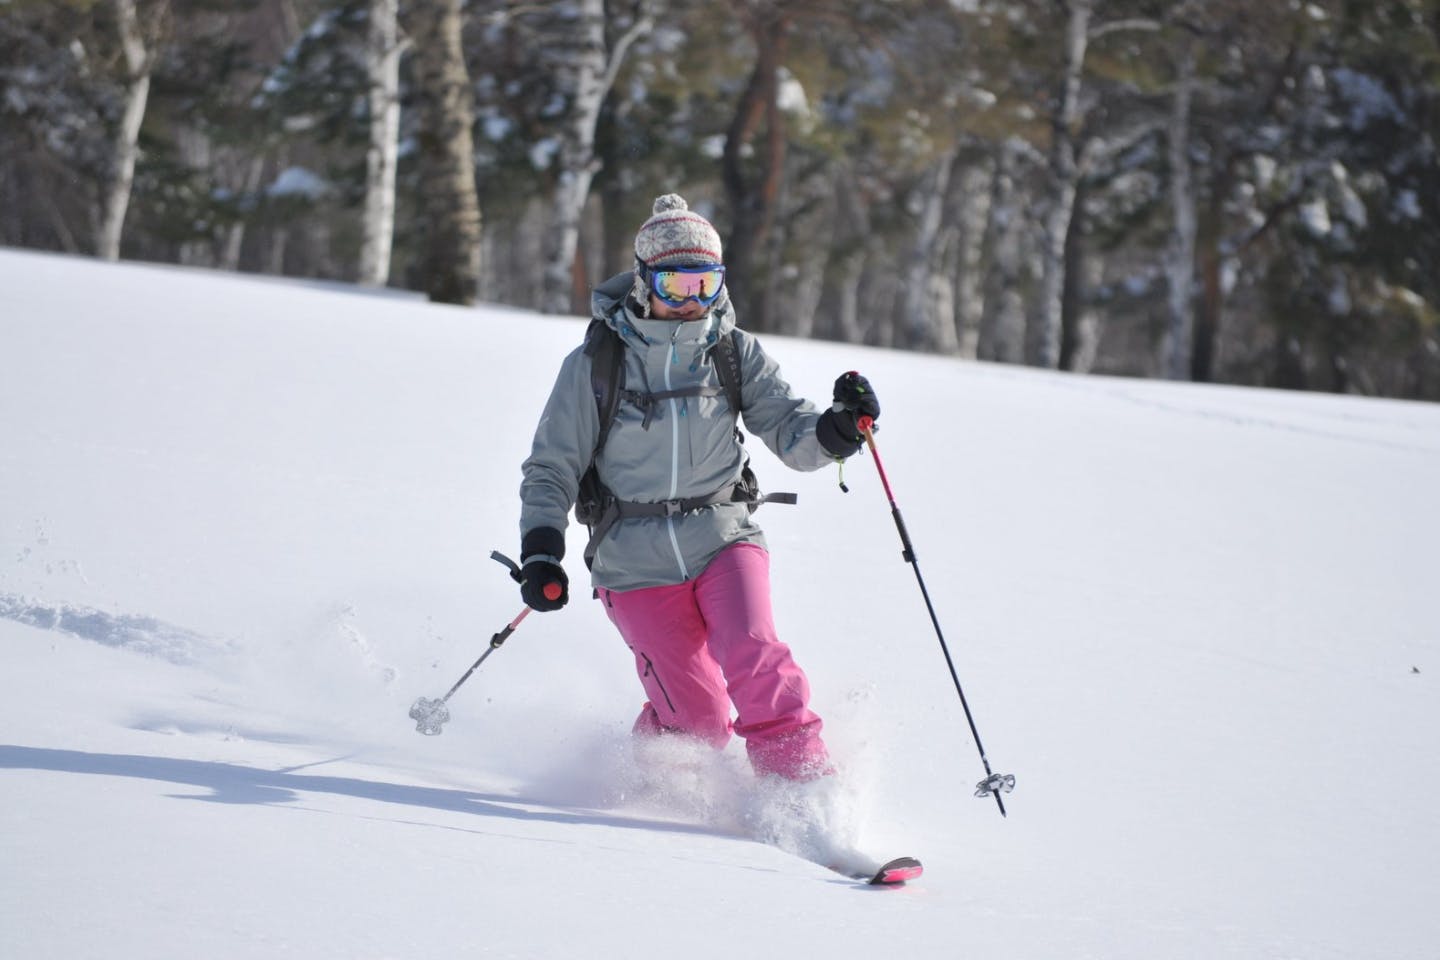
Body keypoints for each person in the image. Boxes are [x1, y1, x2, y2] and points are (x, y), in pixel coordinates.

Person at [517, 193, 880, 784]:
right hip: (632, 561)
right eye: (676, 285)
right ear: (643, 281)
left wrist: (837, 431)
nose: (692, 302)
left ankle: (803, 788)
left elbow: (791, 431)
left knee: (755, 653)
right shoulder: (594, 365)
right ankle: (652, 774)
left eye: (705, 285)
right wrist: (540, 552)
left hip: (723, 536)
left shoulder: (732, 353)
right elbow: (552, 466)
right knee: (699, 724)